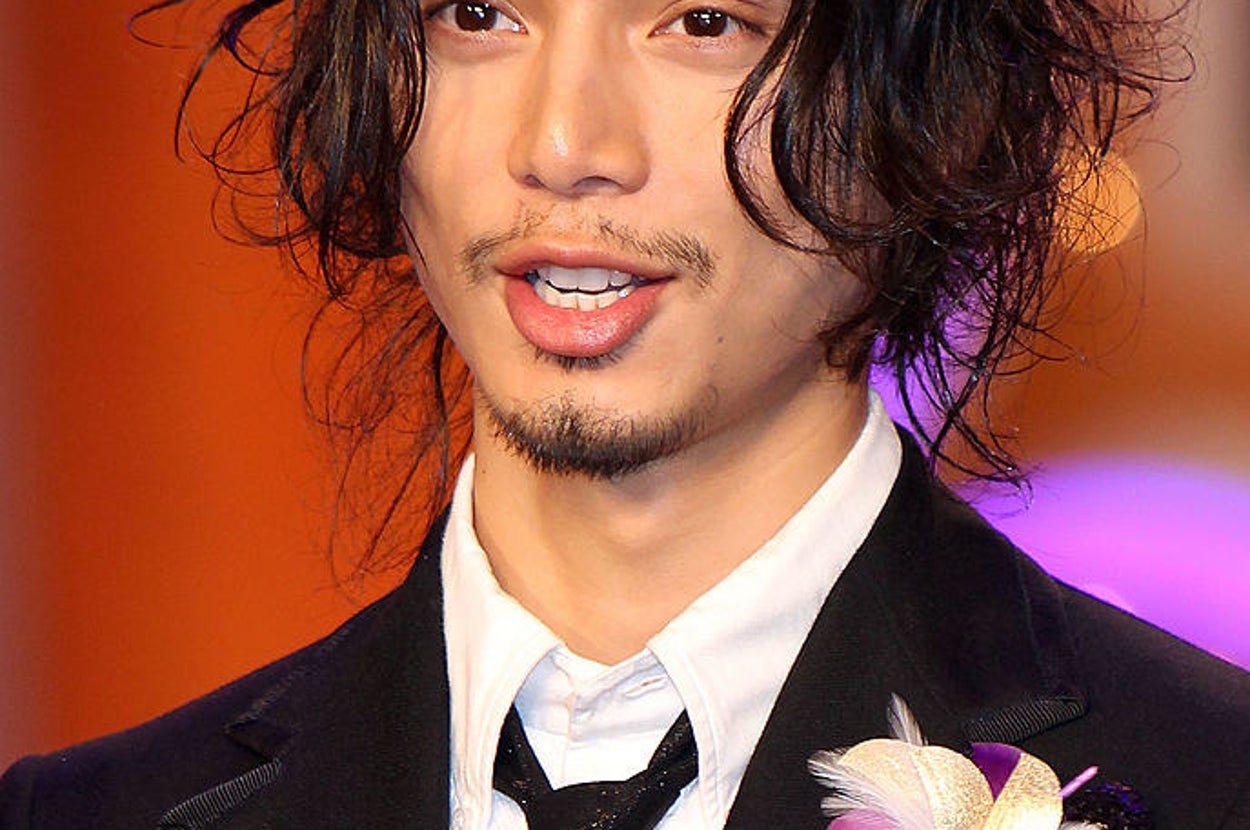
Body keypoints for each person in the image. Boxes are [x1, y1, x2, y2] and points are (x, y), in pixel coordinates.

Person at [3, 0, 1249, 828]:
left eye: (702, 22)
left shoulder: (1207, 781)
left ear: (943, 104)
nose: (561, 144)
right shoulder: (85, 812)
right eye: (477, 13)